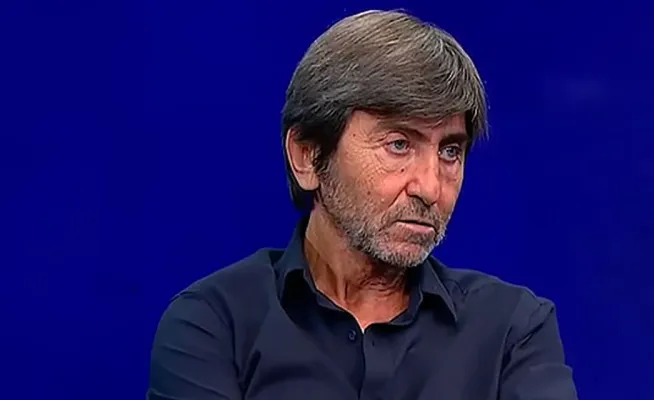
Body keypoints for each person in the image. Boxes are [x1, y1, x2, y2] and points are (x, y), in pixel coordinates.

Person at [147, 9, 578, 400]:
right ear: (307, 156)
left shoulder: (513, 331)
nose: (430, 188)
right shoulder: (213, 325)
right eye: (398, 144)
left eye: (450, 151)